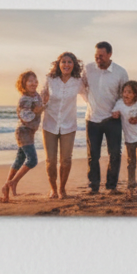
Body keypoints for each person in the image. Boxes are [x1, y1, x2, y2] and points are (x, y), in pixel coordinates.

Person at [82, 41, 129, 194]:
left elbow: (126, 95)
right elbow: (80, 86)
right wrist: (89, 100)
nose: (98, 59)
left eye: (101, 56)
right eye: (96, 56)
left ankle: (111, 187)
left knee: (115, 154)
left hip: (112, 120)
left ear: (109, 54)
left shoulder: (121, 72)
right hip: (92, 119)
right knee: (92, 156)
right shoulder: (88, 69)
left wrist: (118, 110)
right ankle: (93, 186)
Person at [41, 51, 84, 198]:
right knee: (50, 160)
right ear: (58, 64)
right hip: (49, 124)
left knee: (66, 160)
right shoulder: (50, 79)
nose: (66, 64)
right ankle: (53, 189)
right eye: (63, 62)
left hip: (68, 125)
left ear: (74, 65)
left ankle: (62, 188)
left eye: (69, 62)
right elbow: (41, 99)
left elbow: (90, 97)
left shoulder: (78, 82)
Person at [2, 70, 46, 202]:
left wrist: (44, 104)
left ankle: (7, 188)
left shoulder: (36, 95)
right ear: (24, 84)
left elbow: (42, 103)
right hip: (23, 131)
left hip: (29, 132)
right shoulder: (24, 99)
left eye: (35, 80)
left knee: (19, 160)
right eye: (30, 81)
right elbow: (25, 117)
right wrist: (37, 110)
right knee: (32, 160)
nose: (34, 83)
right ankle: (13, 182)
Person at [111, 80, 137, 192]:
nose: (126, 94)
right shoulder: (120, 103)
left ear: (135, 94)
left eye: (129, 92)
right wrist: (115, 114)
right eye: (124, 91)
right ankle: (131, 182)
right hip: (129, 139)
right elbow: (115, 112)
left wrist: (136, 119)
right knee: (131, 161)